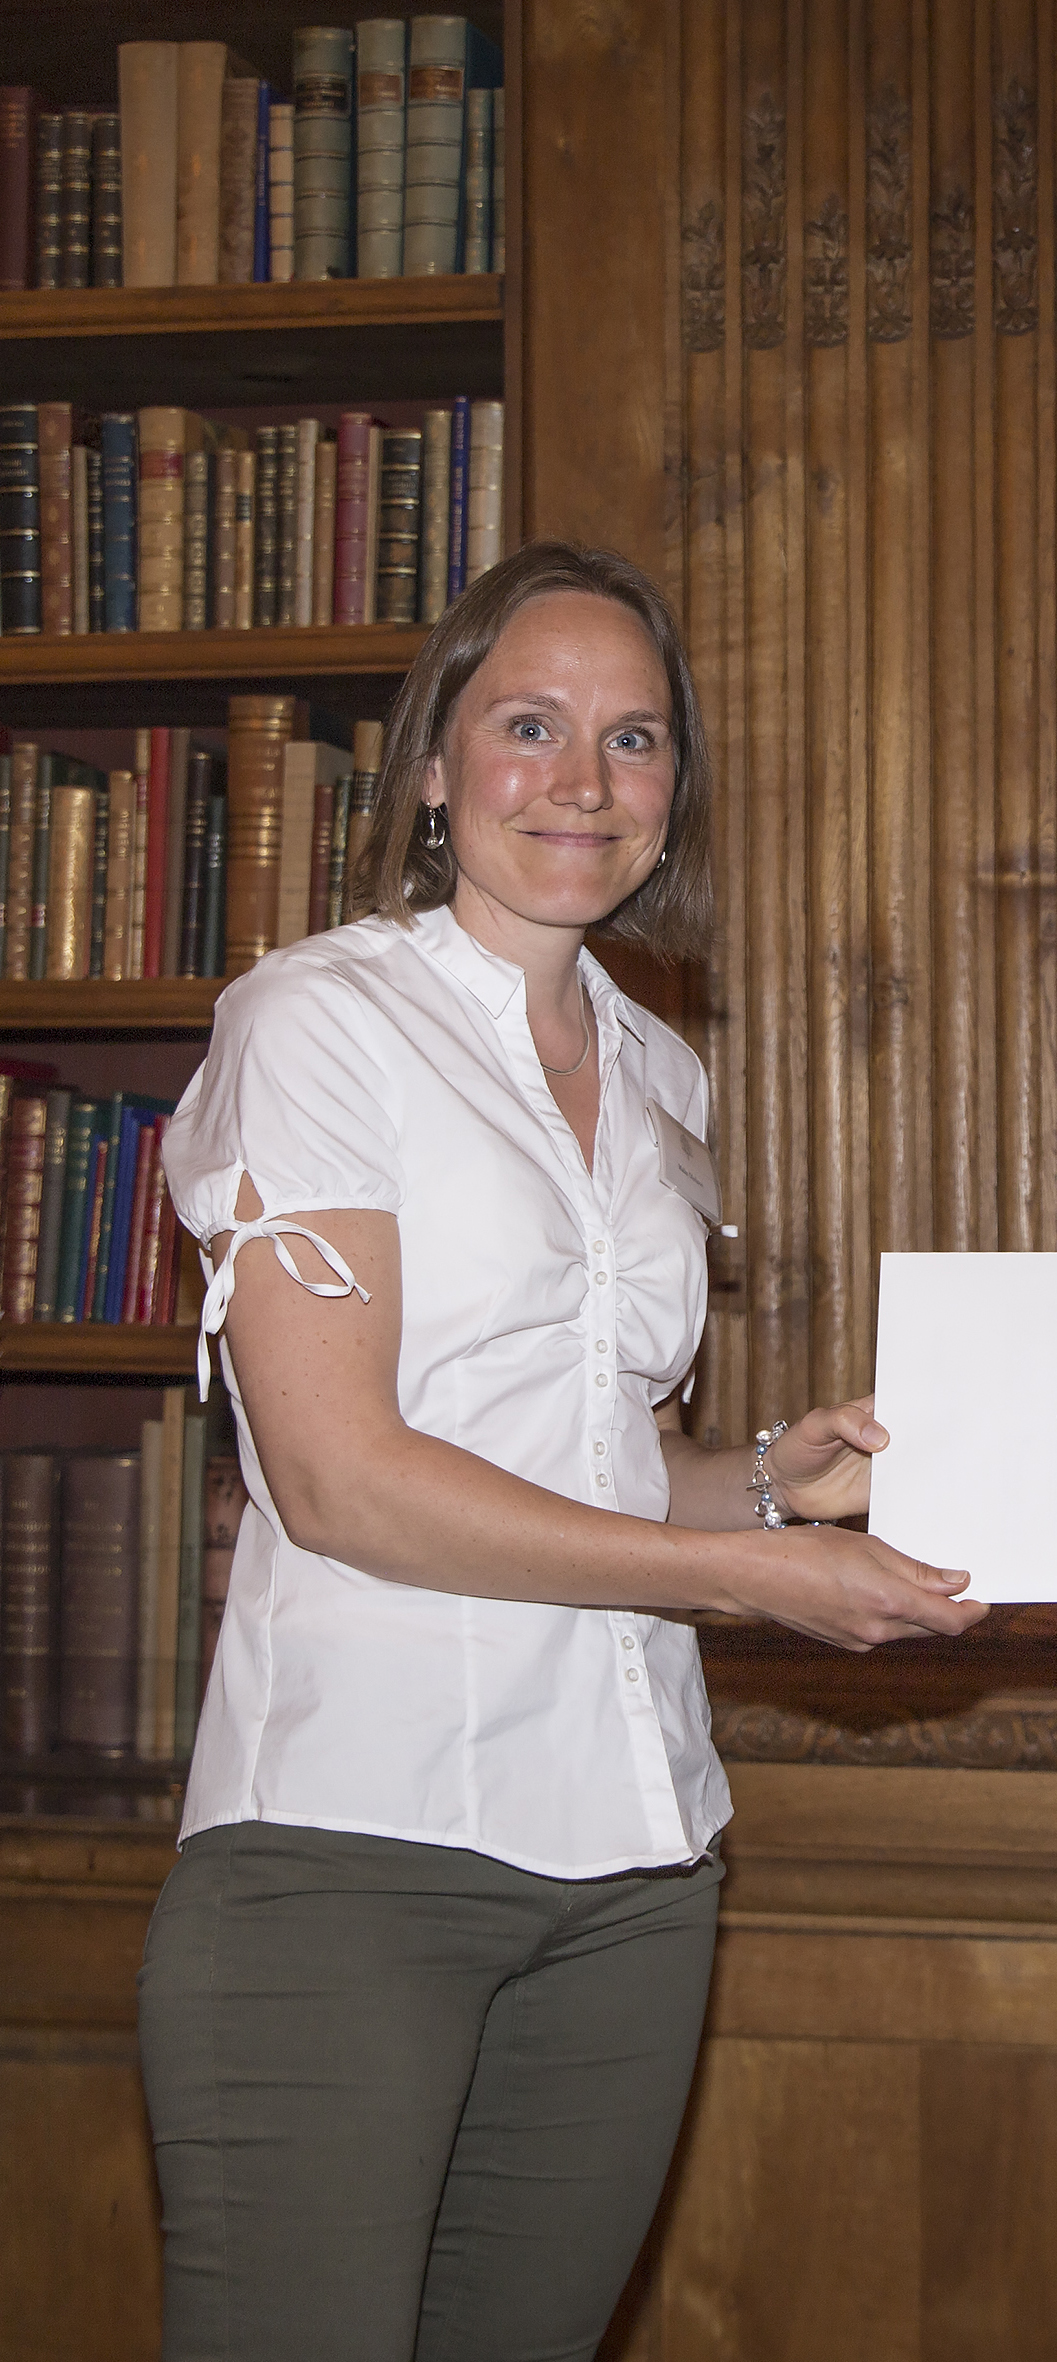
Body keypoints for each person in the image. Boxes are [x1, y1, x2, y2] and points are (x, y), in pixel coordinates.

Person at [143, 541, 985, 2362]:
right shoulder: (316, 1022)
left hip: (640, 1857)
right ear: (435, 765)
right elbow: (342, 1475)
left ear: (675, 794)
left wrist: (769, 1480)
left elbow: (600, 1462)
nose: (584, 782)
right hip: (352, 1856)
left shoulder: (659, 1068)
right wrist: (745, 1573)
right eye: (530, 726)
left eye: (635, 739)